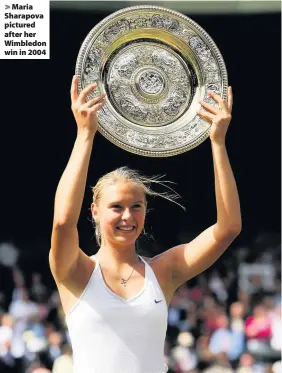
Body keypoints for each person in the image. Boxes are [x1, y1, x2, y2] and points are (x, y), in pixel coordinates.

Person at [49, 75, 241, 373]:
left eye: (136, 207)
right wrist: (85, 135)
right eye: (116, 207)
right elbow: (62, 222)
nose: (127, 216)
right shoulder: (76, 271)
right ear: (94, 212)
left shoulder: (164, 270)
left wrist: (218, 142)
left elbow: (227, 229)